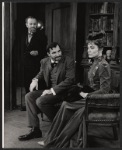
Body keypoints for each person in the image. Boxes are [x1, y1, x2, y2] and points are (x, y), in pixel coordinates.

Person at [37, 31, 111, 148]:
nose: (89, 50)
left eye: (92, 48)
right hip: (90, 95)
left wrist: (84, 94)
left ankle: (55, 140)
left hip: (96, 99)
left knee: (66, 106)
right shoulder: (95, 62)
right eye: (88, 48)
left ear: (101, 50)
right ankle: (52, 138)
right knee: (65, 104)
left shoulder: (103, 65)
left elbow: (105, 91)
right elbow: (93, 84)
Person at [18, 42, 75, 141]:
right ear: (48, 54)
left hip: (63, 91)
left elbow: (70, 80)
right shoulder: (44, 61)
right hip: (50, 90)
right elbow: (41, 73)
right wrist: (35, 80)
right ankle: (35, 129)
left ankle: (60, 124)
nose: (58, 54)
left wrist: (52, 90)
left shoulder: (68, 61)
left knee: (40, 101)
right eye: (54, 53)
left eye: (59, 51)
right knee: (29, 96)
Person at [21, 16, 47, 93]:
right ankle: (28, 103)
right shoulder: (22, 37)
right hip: (25, 66)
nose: (33, 26)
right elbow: (20, 51)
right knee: (27, 86)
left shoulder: (42, 37)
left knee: (37, 87)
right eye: (31, 24)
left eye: (34, 24)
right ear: (27, 25)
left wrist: (38, 53)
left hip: (37, 66)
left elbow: (46, 51)